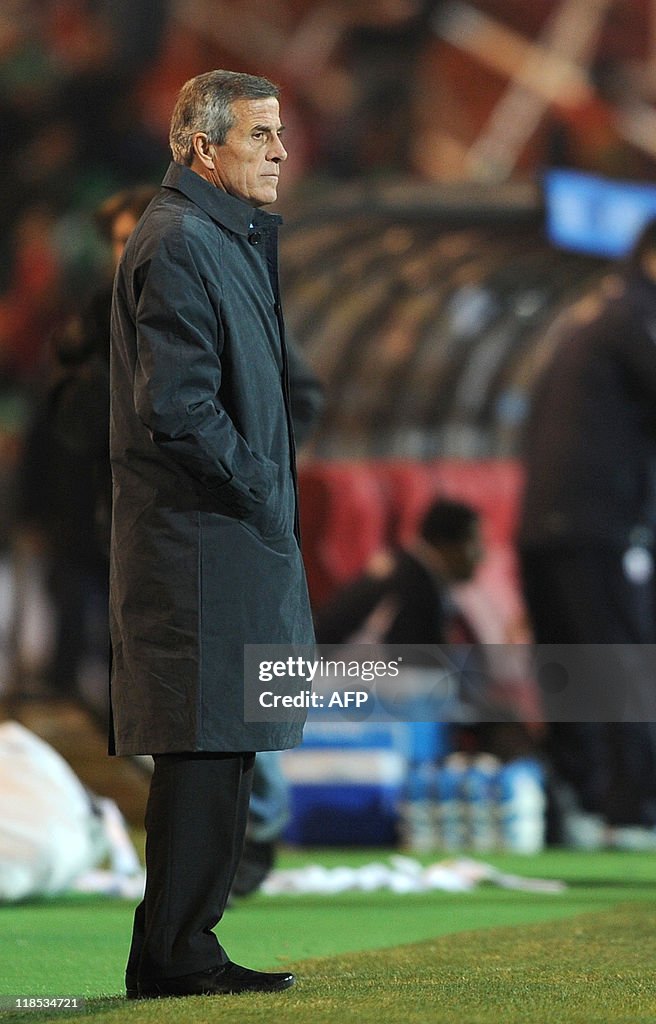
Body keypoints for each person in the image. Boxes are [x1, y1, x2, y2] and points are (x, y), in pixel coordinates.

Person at [109, 70, 315, 999]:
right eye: (261, 135)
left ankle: (179, 947)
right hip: (200, 539)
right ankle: (179, 954)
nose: (280, 152)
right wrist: (261, 484)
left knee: (222, 742)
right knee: (201, 743)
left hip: (225, 534)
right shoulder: (184, 240)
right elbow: (181, 409)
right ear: (204, 148)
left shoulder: (216, 236)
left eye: (280, 133)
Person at [518, 219, 656, 843]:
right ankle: (632, 809)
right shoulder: (636, 316)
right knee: (622, 663)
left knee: (571, 665)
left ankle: (581, 799)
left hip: (546, 522)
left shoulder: (590, 312)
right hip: (598, 522)